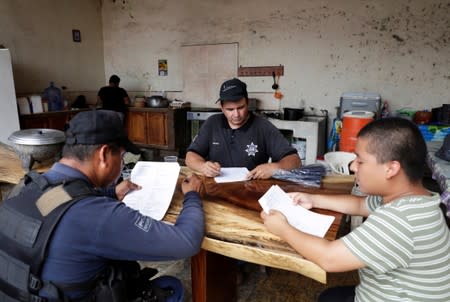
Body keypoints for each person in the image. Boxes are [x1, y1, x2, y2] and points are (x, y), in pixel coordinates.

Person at [0, 110, 205, 302]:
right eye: (122, 157)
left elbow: (52, 206)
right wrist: (193, 197)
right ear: (104, 155)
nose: (122, 165)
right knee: (172, 288)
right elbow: (187, 242)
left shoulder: (29, 188)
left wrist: (111, 192)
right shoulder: (99, 215)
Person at [261, 117, 450, 302]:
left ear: (391, 169)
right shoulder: (416, 199)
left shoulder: (401, 220)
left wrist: (283, 229)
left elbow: (329, 258)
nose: (352, 167)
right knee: (329, 296)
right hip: (386, 291)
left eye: (360, 161)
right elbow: (359, 204)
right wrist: (312, 199)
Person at [185, 78, 301, 179]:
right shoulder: (212, 123)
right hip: (215, 190)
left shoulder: (263, 127)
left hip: (251, 191)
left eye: (241, 107)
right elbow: (191, 156)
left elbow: (295, 160)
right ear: (221, 107)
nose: (236, 114)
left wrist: (275, 167)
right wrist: (202, 167)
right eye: (230, 109)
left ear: (248, 102)